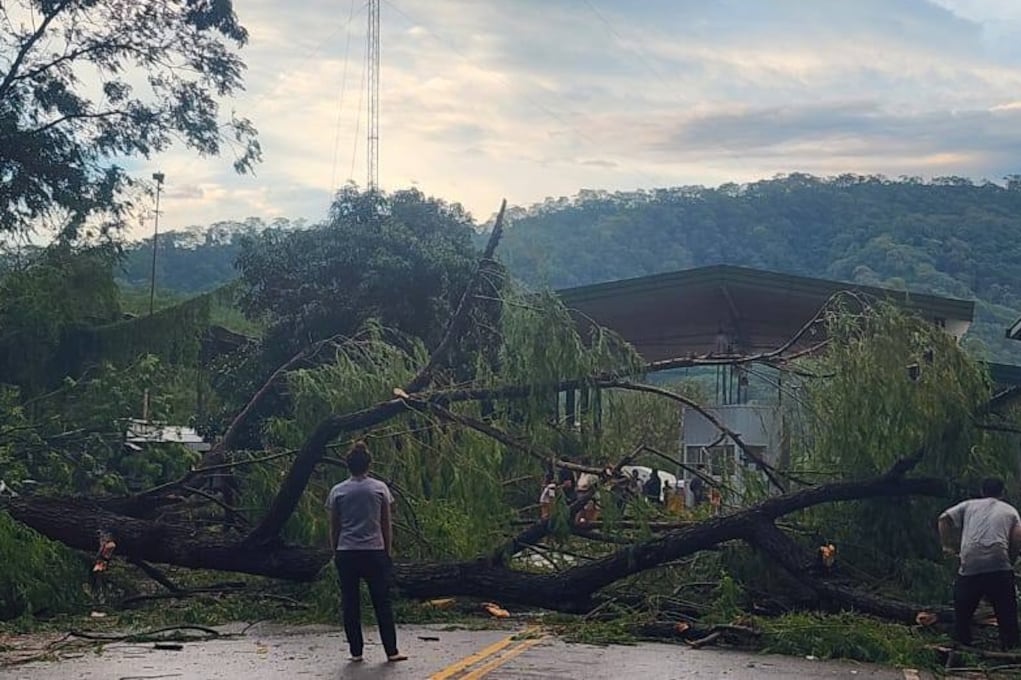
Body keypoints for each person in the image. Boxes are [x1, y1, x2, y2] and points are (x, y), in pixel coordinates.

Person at [325, 441, 407, 663]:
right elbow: (386, 524)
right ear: (369, 464)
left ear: (348, 465)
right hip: (374, 551)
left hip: (347, 551)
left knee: (350, 603)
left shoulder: (338, 491)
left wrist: (335, 551)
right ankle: (391, 651)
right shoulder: (379, 489)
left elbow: (334, 527)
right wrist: (387, 551)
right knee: (382, 602)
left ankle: (356, 652)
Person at [938, 477, 1021, 650]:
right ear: (1002, 493)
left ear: (982, 491)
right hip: (999, 563)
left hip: (971, 562)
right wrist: (1010, 561)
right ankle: (1010, 647)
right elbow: (1017, 536)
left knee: (963, 609)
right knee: (1006, 610)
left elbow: (943, 518)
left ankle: (962, 644)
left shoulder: (969, 505)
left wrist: (947, 546)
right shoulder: (1010, 510)